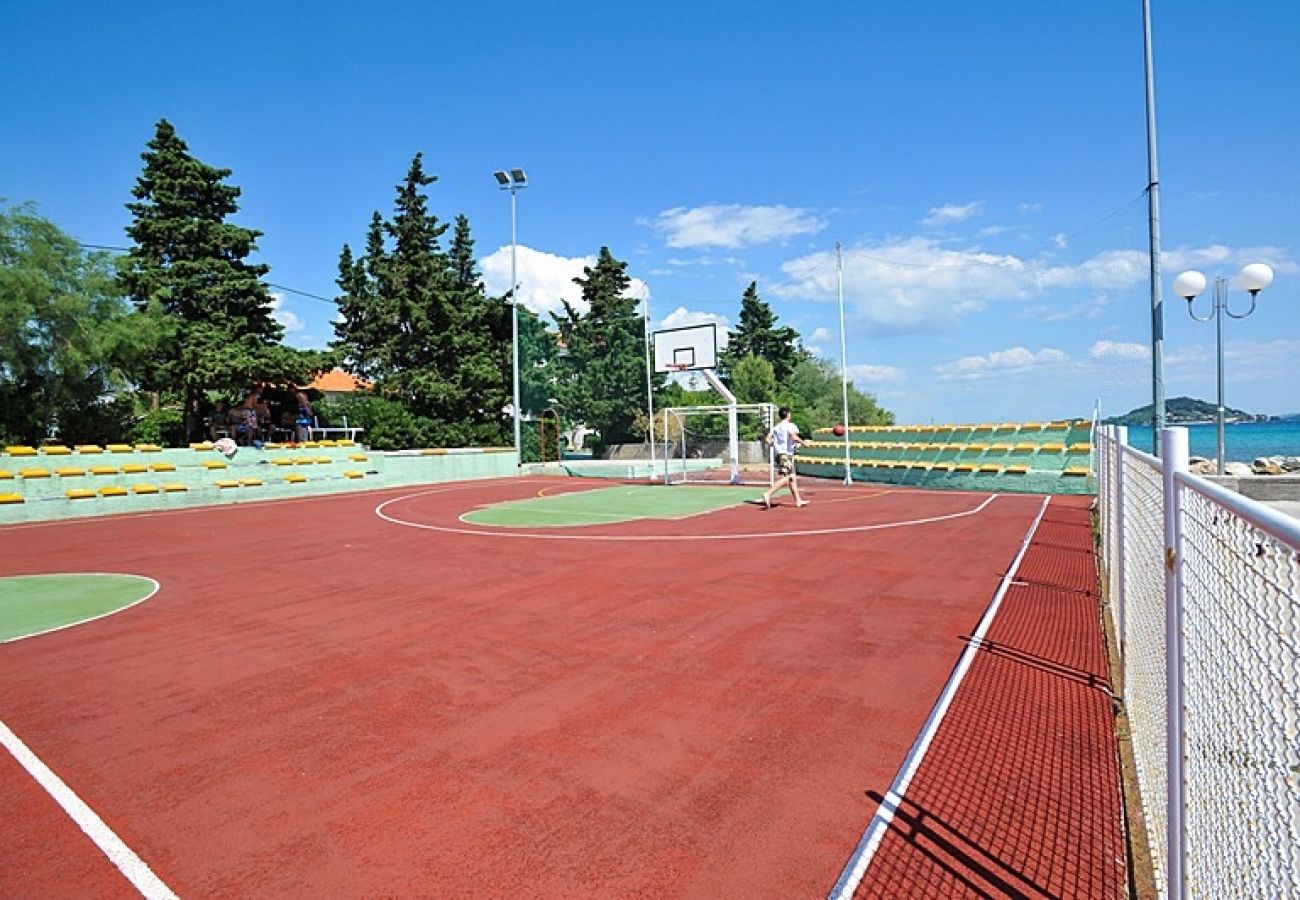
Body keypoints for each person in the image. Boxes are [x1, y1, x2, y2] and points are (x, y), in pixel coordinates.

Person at [760, 406, 808, 509]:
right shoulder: (790, 426)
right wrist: (803, 443)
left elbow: (767, 439)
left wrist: (775, 445)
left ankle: (798, 500)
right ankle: (768, 493)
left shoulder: (776, 427)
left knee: (792, 478)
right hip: (786, 455)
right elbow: (794, 437)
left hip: (779, 454)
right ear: (788, 414)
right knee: (787, 478)